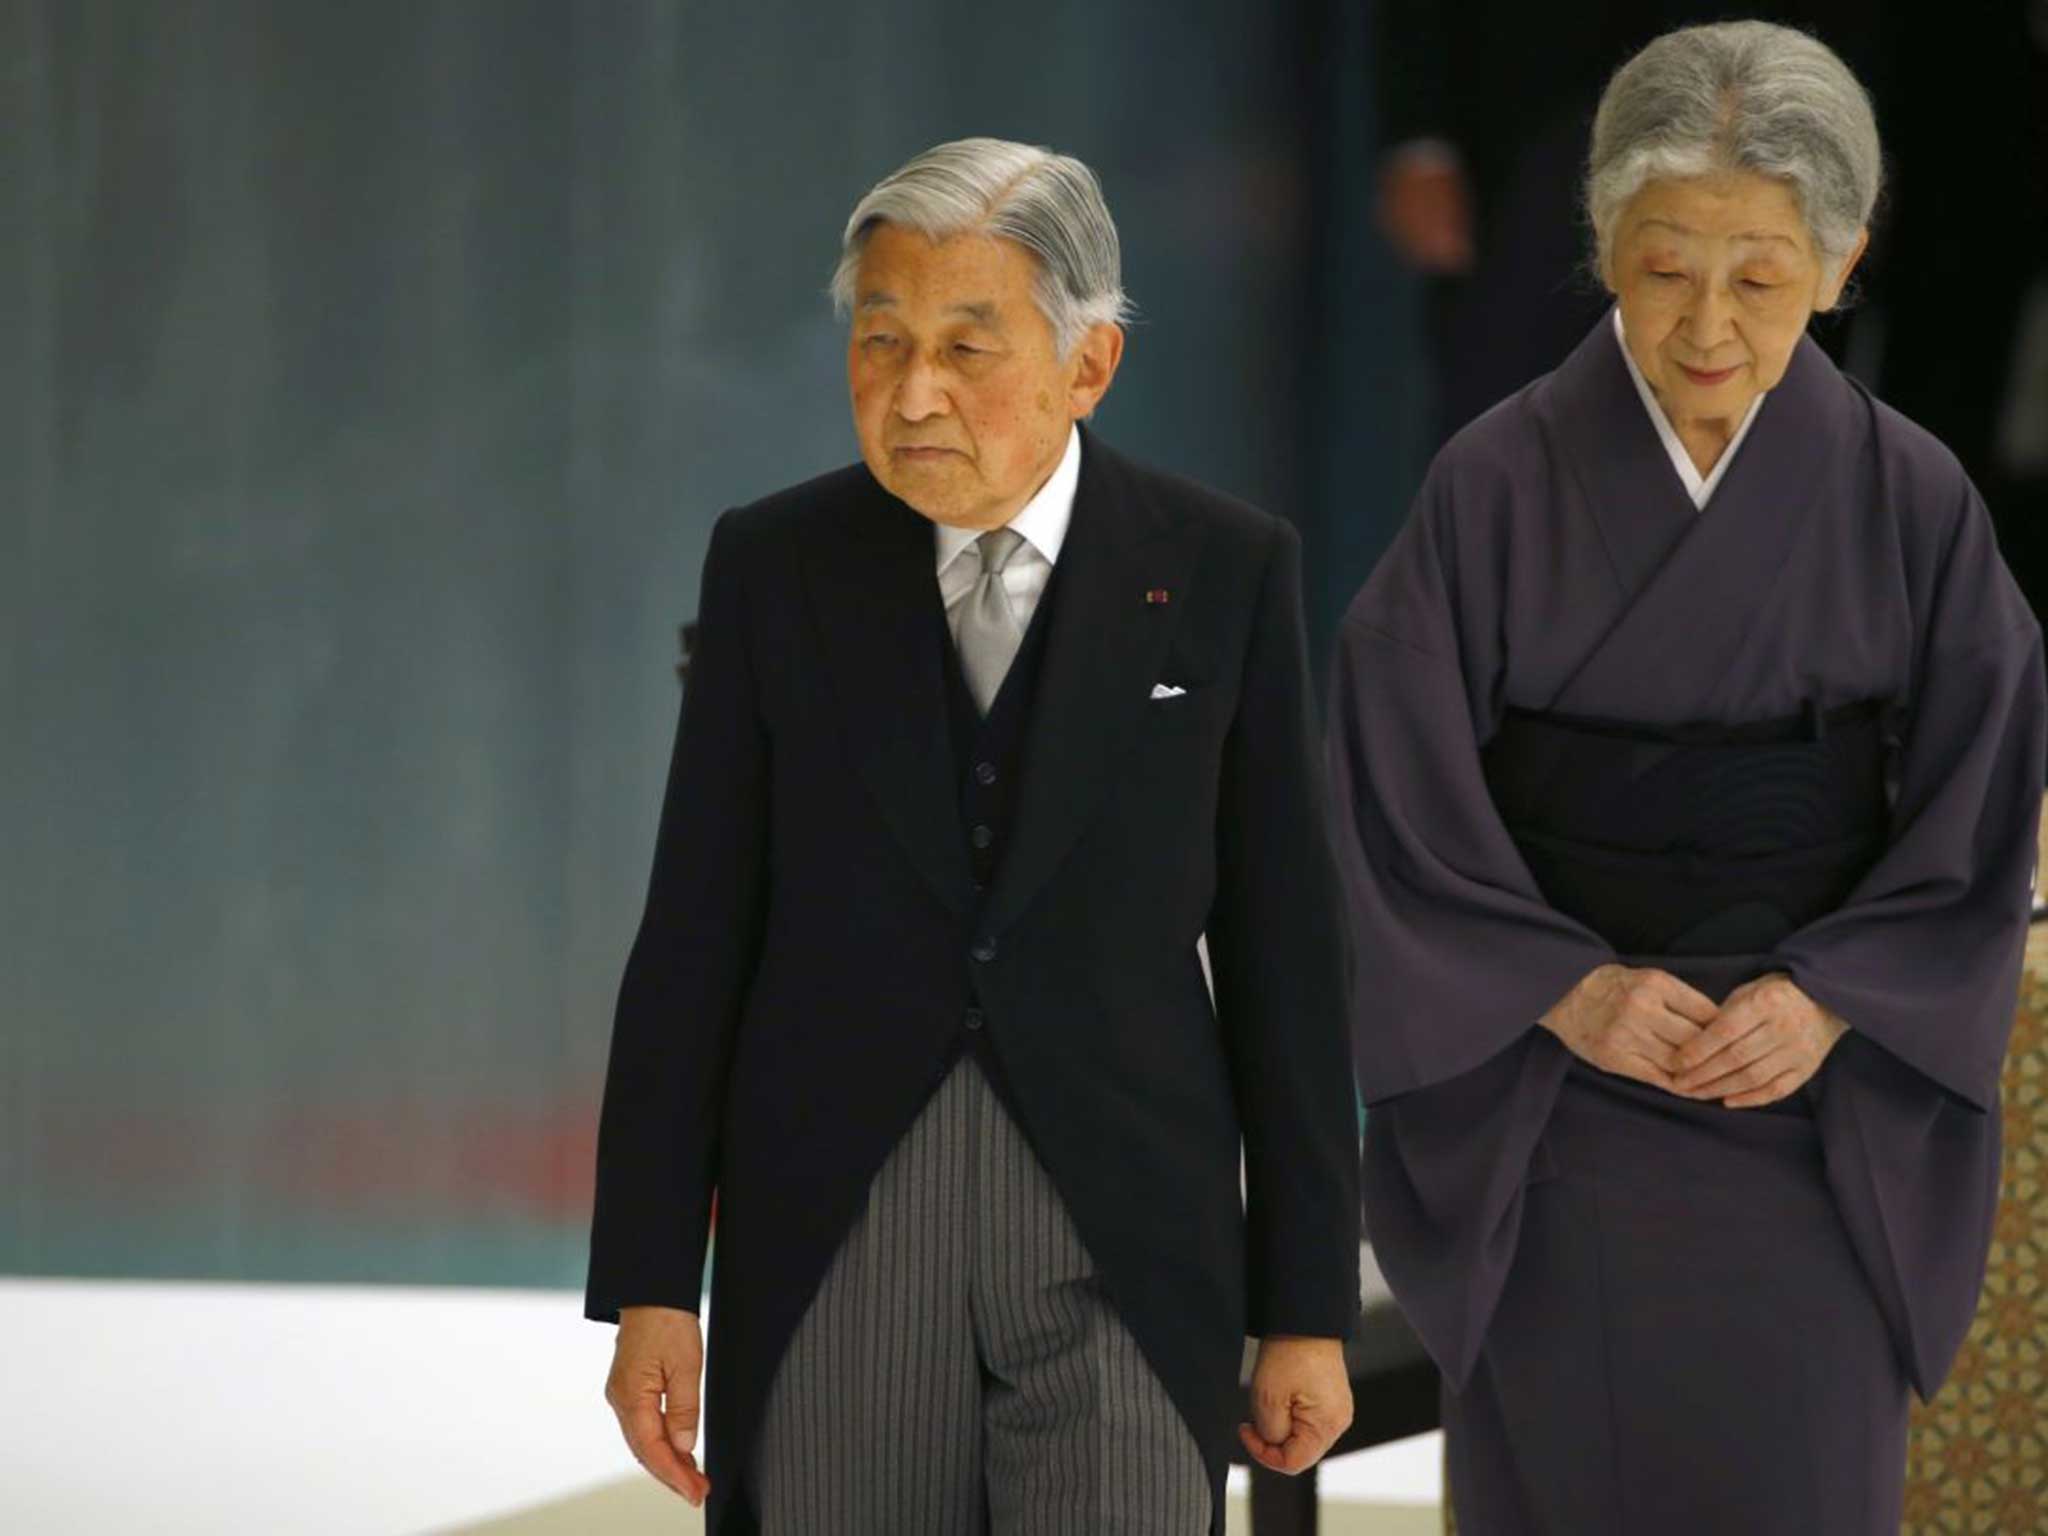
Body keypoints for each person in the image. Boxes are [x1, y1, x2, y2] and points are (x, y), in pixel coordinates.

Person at [586, 137, 1360, 1536]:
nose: (914, 391)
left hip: (1126, 1242)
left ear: (1089, 367)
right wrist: (651, 1285)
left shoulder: (1225, 572)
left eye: (965, 345)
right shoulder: (775, 568)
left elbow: (1283, 964)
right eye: (880, 341)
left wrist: (1303, 1305)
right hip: (838, 1245)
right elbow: (694, 935)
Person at [1330, 23, 2045, 1534]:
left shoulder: (1910, 496)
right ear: (1602, 247)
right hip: (1555, 1107)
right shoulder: (1493, 485)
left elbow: (1983, 806)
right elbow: (1388, 796)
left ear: (1844, 263)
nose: (1708, 322)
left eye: (1762, 277)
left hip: (1819, 1114)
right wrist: (1565, 990)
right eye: (1664, 267)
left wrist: (1837, 992)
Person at [1373, 0, 1881, 446]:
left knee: (1749, 429)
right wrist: (1420, 136)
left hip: (1771, 110)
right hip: (1531, 108)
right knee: (1511, 405)